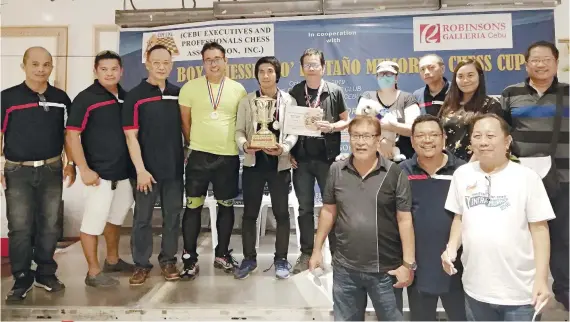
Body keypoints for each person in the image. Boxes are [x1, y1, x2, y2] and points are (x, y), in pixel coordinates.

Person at [442, 113, 554, 321]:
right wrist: (450, 248)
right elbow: (459, 217)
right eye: (477, 136)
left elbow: (540, 230)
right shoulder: (462, 175)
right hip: (475, 289)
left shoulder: (527, 178)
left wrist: (541, 279)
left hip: (520, 294)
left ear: (507, 141)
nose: (483, 142)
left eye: (490, 136)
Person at [309, 115, 416, 321]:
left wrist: (408, 264)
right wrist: (316, 250)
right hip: (345, 270)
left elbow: (405, 219)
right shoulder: (336, 170)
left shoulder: (394, 172)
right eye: (356, 136)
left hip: (387, 271)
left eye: (367, 136)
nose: (360, 142)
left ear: (378, 140)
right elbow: (328, 211)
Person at [1, 46, 76, 301]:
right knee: (20, 226)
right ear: (23, 66)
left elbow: (69, 135)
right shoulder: (7, 98)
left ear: (52, 66)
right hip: (17, 171)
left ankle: (45, 272)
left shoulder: (61, 98)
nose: (41, 69)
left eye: (46, 64)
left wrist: (71, 163)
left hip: (52, 168)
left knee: (49, 225)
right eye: (35, 64)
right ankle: (22, 277)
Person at [501, 40, 569, 311]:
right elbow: (503, 133)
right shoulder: (510, 93)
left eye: (546, 59)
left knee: (564, 238)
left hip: (564, 178)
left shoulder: (567, 92)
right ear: (525, 63)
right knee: (522, 239)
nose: (540, 64)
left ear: (556, 62)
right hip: (521, 182)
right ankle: (523, 296)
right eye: (535, 59)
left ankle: (564, 292)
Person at [66, 50, 135, 287]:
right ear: (95, 71)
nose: (109, 73)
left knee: (115, 219)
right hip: (98, 174)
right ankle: (93, 273)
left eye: (114, 69)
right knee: (92, 223)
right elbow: (72, 135)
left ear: (121, 71)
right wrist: (83, 168)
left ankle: (113, 260)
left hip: (123, 173)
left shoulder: (126, 97)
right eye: (104, 69)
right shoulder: (85, 98)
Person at [178, 42, 247, 279]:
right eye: (208, 59)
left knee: (226, 206)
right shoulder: (190, 88)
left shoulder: (238, 90)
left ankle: (222, 254)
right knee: (193, 206)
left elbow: (242, 123)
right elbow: (185, 122)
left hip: (228, 158)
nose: (213, 63)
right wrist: (193, 143)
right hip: (198, 156)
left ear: (225, 61)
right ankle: (189, 258)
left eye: (217, 58)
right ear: (203, 62)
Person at [122, 44, 184, 285]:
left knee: (172, 217)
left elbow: (185, 129)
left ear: (172, 65)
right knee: (142, 219)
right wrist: (140, 170)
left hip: (174, 170)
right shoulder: (135, 96)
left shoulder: (178, 94)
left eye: (166, 63)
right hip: (145, 172)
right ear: (147, 63)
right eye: (156, 62)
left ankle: (168, 261)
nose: (161, 67)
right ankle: (141, 264)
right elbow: (130, 136)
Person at [234, 56, 298, 279]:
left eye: (270, 71)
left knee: (281, 213)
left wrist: (284, 148)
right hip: (254, 165)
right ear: (257, 75)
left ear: (277, 74)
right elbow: (239, 130)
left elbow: (293, 132)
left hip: (279, 165)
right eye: (261, 71)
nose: (265, 75)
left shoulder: (289, 101)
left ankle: (281, 259)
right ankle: (249, 258)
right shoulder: (247, 101)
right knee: (250, 214)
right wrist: (245, 146)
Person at [399, 114, 467, 321]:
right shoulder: (401, 172)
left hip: (459, 268)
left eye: (433, 135)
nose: (427, 140)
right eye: (420, 135)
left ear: (444, 137)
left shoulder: (463, 171)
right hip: (419, 268)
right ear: (412, 141)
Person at [288, 48, 350, 274]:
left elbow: (347, 121)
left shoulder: (334, 91)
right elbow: (287, 123)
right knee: (304, 208)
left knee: (331, 207)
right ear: (302, 68)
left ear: (323, 67)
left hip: (328, 160)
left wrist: (332, 127)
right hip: (301, 160)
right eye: (308, 64)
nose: (312, 68)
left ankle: (336, 253)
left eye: (316, 64)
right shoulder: (295, 91)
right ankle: (306, 253)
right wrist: (288, 151)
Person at [438, 58, 502, 162]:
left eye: (470, 75)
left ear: (480, 77)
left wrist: (469, 169)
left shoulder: (491, 105)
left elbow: (490, 140)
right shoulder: (449, 104)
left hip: (477, 165)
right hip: (447, 165)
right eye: (460, 76)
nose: (465, 80)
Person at [358, 61, 421, 161]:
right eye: (381, 74)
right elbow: (361, 125)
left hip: (403, 158)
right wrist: (382, 140)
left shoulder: (407, 98)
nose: (385, 77)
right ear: (377, 77)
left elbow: (414, 129)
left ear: (396, 78)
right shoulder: (368, 96)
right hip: (373, 158)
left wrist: (391, 127)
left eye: (389, 74)